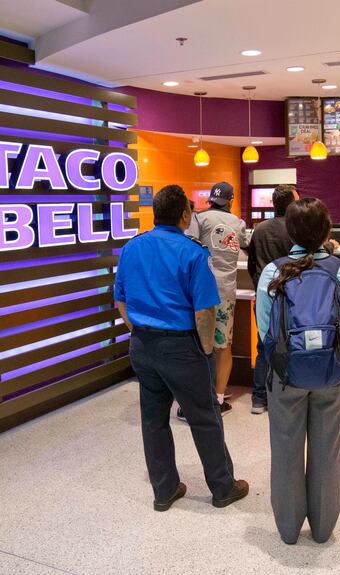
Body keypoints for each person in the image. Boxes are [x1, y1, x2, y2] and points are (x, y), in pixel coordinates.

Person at [114, 184, 249, 512]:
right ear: (186, 215)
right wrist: (204, 349)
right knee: (204, 416)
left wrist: (142, 331)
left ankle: (164, 490)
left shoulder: (131, 248)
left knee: (154, 419)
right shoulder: (192, 253)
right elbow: (205, 310)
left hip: (142, 345)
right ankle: (222, 487)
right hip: (181, 346)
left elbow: (120, 299)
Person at [255, 197, 340, 545]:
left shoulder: (274, 272)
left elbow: (265, 331)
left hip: (286, 375)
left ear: (290, 230)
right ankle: (323, 527)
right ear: (327, 230)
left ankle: (288, 528)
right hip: (332, 374)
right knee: (327, 447)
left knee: (285, 447)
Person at [182, 181, 248, 418]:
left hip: (199, 293)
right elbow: (246, 246)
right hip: (225, 293)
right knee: (223, 347)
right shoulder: (238, 224)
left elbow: (188, 249)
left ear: (211, 199)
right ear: (230, 201)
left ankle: (190, 401)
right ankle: (218, 400)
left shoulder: (199, 219)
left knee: (197, 346)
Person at [246, 184, 299, 414]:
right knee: (292, 345)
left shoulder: (260, 229)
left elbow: (251, 264)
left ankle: (259, 399)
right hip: (292, 296)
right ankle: (288, 396)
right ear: (291, 203)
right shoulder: (296, 229)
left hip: (265, 296)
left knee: (264, 346)